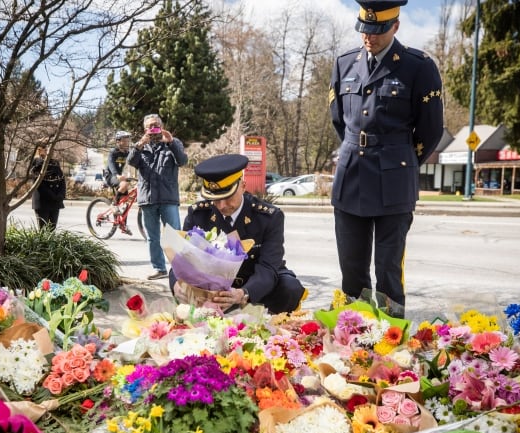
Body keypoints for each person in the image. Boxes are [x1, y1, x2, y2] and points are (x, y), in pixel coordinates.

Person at [328, 0, 443, 317]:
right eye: (365, 29)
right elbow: (340, 121)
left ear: (395, 25)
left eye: (377, 31)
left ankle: (390, 343)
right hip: (350, 179)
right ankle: (353, 343)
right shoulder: (345, 63)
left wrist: (399, 160)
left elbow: (431, 130)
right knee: (352, 272)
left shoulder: (418, 67)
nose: (369, 37)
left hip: (394, 182)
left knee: (388, 272)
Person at [168, 154, 307, 314]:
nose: (221, 206)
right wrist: (176, 284)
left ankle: (273, 325)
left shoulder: (268, 217)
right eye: (215, 199)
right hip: (211, 289)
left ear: (243, 185)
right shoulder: (198, 214)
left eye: (227, 198)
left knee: (290, 288)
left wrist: (244, 293)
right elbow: (180, 260)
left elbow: (268, 267)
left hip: (253, 283)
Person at [127, 114, 188, 280]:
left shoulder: (173, 143)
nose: (153, 129)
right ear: (145, 129)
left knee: (174, 235)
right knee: (153, 237)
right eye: (150, 126)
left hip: (168, 198)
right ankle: (159, 268)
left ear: (161, 126)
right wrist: (140, 144)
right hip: (148, 199)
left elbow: (182, 161)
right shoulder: (140, 147)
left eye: (156, 125)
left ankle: (180, 270)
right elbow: (131, 162)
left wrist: (171, 142)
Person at [29, 144, 66, 230]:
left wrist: (61, 194)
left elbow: (61, 179)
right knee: (43, 230)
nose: (48, 150)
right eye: (45, 148)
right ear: (39, 150)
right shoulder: (36, 163)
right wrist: (52, 195)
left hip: (55, 201)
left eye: (49, 148)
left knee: (52, 230)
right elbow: (38, 183)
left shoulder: (54, 162)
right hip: (43, 201)